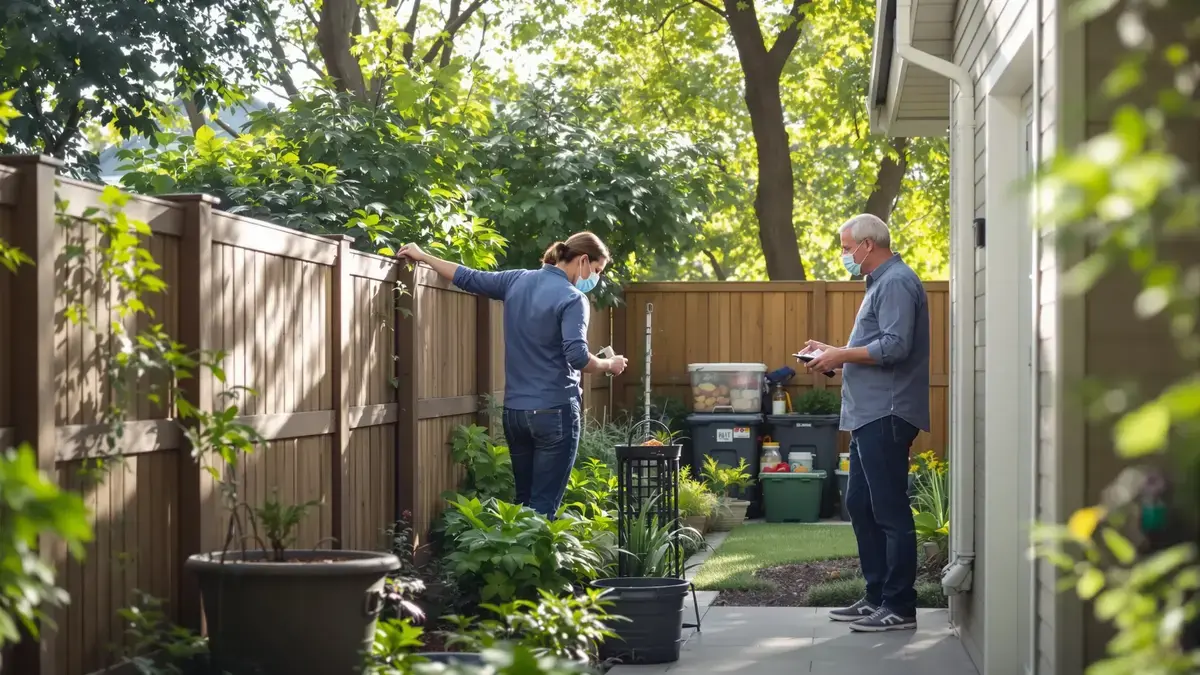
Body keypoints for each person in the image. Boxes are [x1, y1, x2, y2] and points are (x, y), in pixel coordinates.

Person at [396, 233, 629, 517]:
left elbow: (468, 277)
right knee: (543, 508)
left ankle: (517, 544)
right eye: (597, 270)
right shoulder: (573, 298)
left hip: (515, 413)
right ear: (582, 260)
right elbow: (578, 357)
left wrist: (423, 256)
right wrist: (608, 364)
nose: (596, 278)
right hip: (555, 412)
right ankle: (538, 548)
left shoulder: (516, 280)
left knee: (523, 504)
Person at [799, 213, 930, 632]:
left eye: (845, 248)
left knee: (889, 510)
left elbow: (895, 346)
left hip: (886, 413)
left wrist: (840, 354)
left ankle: (899, 606)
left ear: (867, 245)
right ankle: (876, 596)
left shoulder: (897, 282)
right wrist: (832, 353)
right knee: (860, 504)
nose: (844, 255)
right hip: (867, 414)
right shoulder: (878, 283)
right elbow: (874, 348)